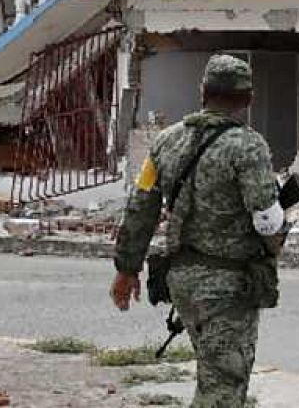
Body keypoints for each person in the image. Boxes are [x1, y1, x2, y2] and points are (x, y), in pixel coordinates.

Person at [111, 53, 285, 408]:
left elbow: (140, 208)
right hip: (228, 286)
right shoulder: (248, 145)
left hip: (182, 281)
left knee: (216, 377)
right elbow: (266, 218)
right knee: (221, 389)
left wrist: (126, 269)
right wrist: (274, 244)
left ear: (202, 91)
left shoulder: (165, 142)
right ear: (248, 98)